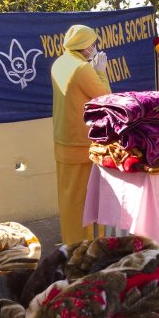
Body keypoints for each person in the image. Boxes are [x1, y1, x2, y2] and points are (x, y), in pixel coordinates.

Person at [51, 25, 111, 244]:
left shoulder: (59, 63)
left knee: (69, 198)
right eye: (92, 44)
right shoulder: (81, 69)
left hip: (62, 139)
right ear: (83, 46)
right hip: (82, 144)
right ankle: (85, 247)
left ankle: (71, 242)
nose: (94, 48)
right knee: (86, 201)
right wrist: (101, 72)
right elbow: (105, 97)